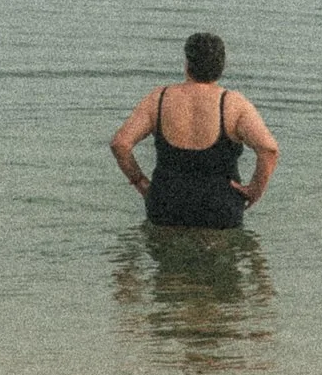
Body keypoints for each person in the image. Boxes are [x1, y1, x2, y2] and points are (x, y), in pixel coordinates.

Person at [111, 32, 278, 228]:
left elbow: (120, 144)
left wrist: (140, 182)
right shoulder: (233, 104)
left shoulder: (159, 98)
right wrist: (254, 191)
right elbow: (269, 150)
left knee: (166, 257)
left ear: (187, 63)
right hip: (220, 211)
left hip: (165, 206)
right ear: (222, 66)